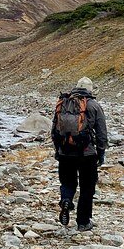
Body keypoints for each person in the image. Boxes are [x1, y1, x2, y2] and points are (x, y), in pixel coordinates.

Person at [50, 76, 107, 231]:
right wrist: (101, 153)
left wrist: (58, 150)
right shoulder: (94, 105)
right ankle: (83, 222)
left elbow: (54, 130)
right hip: (87, 154)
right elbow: (102, 133)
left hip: (65, 152)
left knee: (67, 182)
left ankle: (66, 200)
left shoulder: (64, 103)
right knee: (87, 187)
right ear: (90, 89)